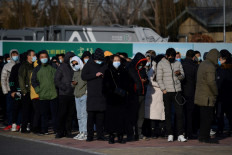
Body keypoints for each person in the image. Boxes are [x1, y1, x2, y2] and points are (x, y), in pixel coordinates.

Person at [156, 48, 186, 142]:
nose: (172, 58)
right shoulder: (161, 64)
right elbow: (159, 78)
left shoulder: (178, 63)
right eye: (170, 56)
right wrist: (163, 89)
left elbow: (182, 77)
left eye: (173, 56)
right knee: (168, 113)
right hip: (167, 92)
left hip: (177, 91)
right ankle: (170, 134)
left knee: (180, 113)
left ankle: (180, 134)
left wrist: (179, 74)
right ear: (166, 56)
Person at [195, 49, 220, 144]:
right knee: (208, 118)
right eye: (217, 58)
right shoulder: (210, 67)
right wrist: (216, 92)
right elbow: (211, 82)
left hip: (201, 95)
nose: (218, 60)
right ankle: (205, 137)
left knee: (203, 118)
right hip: (208, 97)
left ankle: (202, 136)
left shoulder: (203, 64)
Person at [81, 48, 107, 142]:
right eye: (98, 60)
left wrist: (104, 76)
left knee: (100, 118)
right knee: (90, 118)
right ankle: (90, 136)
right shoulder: (88, 65)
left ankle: (100, 135)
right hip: (92, 95)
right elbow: (83, 76)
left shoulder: (105, 65)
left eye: (101, 60)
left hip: (101, 95)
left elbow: (108, 76)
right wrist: (94, 75)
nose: (99, 61)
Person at [103, 55, 129, 144]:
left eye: (118, 60)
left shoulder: (124, 71)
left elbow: (128, 84)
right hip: (111, 100)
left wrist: (124, 91)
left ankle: (120, 135)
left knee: (121, 118)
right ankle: (111, 136)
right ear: (111, 61)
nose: (117, 62)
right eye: (115, 60)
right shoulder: (107, 72)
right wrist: (111, 92)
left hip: (122, 99)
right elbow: (104, 87)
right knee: (111, 119)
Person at [31, 50, 58, 135]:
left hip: (54, 94)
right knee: (44, 115)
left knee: (55, 114)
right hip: (43, 95)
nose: (44, 58)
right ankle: (44, 130)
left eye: (45, 57)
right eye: (42, 57)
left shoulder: (53, 66)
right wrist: (39, 90)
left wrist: (57, 89)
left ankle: (56, 130)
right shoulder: (37, 68)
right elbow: (33, 81)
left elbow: (59, 77)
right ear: (39, 58)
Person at [126, 52, 147, 141]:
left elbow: (147, 80)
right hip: (133, 95)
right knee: (132, 115)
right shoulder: (130, 68)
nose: (141, 64)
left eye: (143, 63)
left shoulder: (142, 69)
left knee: (141, 115)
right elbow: (128, 81)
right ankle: (131, 133)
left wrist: (145, 81)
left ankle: (139, 132)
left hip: (142, 94)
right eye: (140, 62)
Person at [55, 52, 76, 138]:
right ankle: (60, 131)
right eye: (70, 58)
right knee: (62, 114)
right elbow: (56, 80)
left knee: (70, 114)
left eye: (73, 58)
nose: (71, 60)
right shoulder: (62, 67)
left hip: (72, 94)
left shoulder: (75, 67)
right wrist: (64, 87)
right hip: (63, 94)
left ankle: (68, 131)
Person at [144, 54, 165, 138]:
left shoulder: (164, 68)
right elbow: (150, 80)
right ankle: (153, 132)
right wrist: (162, 85)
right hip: (153, 94)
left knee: (160, 115)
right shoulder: (152, 69)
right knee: (153, 115)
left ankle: (160, 131)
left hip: (161, 94)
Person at [181, 50, 198, 139]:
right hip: (191, 92)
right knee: (190, 114)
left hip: (181, 92)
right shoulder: (194, 66)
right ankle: (189, 133)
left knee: (180, 113)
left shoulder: (181, 65)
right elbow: (196, 81)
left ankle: (180, 132)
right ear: (193, 57)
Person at [1, 49, 20, 130]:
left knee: (19, 108)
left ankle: (18, 123)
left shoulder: (20, 65)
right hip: (9, 91)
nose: (15, 56)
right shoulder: (6, 66)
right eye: (13, 55)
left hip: (18, 90)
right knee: (9, 108)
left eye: (16, 54)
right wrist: (5, 91)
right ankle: (10, 123)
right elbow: (3, 79)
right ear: (10, 55)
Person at [18, 50, 36, 133]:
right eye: (33, 55)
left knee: (33, 110)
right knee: (26, 110)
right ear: (28, 56)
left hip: (34, 91)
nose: (34, 56)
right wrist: (24, 91)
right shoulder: (24, 66)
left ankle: (32, 127)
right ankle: (24, 127)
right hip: (27, 91)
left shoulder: (34, 65)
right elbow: (21, 78)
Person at [9, 52, 27, 132]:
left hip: (27, 91)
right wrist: (13, 91)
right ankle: (14, 124)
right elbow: (11, 79)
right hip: (17, 91)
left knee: (25, 109)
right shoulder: (16, 67)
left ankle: (23, 125)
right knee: (16, 108)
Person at [71, 56, 87, 140]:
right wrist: (73, 83)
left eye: (76, 63)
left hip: (83, 94)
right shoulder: (75, 72)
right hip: (76, 95)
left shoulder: (84, 70)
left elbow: (86, 82)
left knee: (84, 114)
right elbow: (72, 83)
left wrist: (86, 92)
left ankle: (85, 132)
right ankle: (81, 131)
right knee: (79, 115)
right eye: (73, 64)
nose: (75, 65)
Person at [216, 49, 232, 136]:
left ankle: (221, 129)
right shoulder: (220, 67)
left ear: (224, 58)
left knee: (223, 113)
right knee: (224, 113)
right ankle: (222, 128)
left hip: (225, 94)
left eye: (220, 58)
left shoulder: (225, 68)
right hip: (224, 94)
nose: (219, 60)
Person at [30, 60, 41, 134]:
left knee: (36, 112)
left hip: (34, 95)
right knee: (38, 112)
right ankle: (35, 128)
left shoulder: (33, 71)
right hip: (37, 95)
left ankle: (35, 127)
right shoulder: (36, 72)